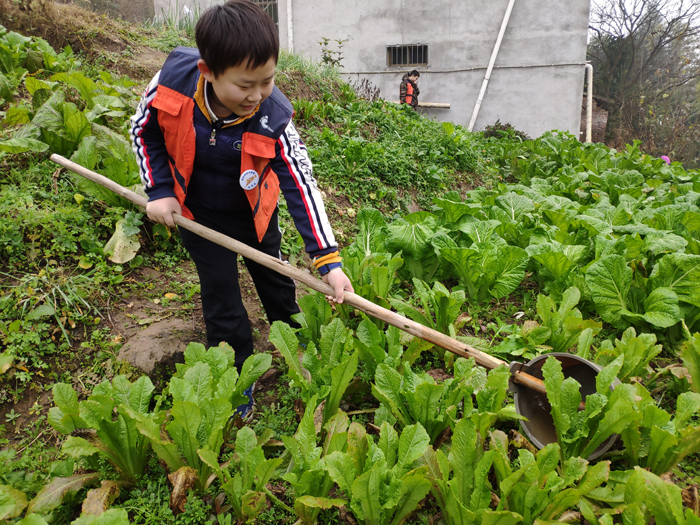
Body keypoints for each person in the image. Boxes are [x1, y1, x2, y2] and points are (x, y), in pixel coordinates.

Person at [129, 0, 353, 419]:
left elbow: (301, 185)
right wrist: (159, 188)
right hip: (197, 215)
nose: (257, 95)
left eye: (267, 81)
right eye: (245, 85)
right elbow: (143, 131)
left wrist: (328, 259)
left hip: (256, 216)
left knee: (276, 281)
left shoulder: (274, 117)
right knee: (222, 298)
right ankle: (236, 381)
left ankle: (296, 344)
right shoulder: (171, 82)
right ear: (208, 73)